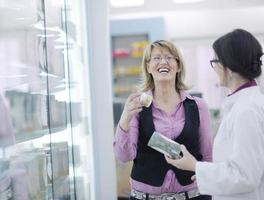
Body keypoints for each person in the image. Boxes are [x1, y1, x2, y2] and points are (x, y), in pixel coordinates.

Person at [165, 29, 264, 200]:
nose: (214, 68)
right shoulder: (246, 104)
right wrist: (206, 174)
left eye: (215, 61)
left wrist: (196, 166)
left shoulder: (246, 111)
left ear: (230, 67)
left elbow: (245, 176)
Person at [113, 40, 213, 200]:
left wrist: (209, 185)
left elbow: (207, 156)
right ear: (148, 67)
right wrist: (125, 119)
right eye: (156, 58)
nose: (163, 62)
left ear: (178, 66)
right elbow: (124, 156)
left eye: (169, 57)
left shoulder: (198, 106)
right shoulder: (137, 107)